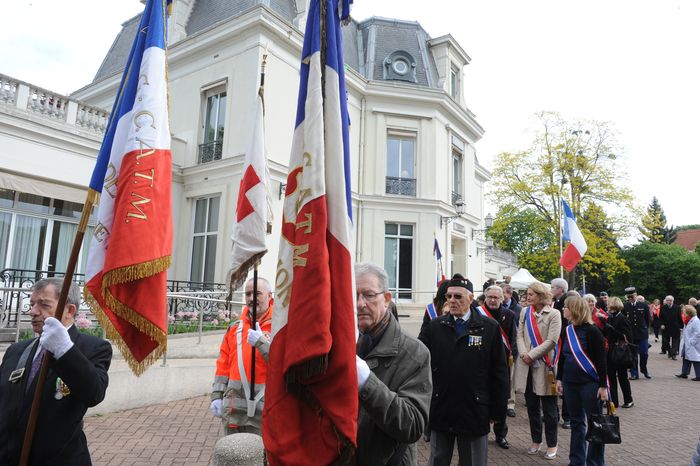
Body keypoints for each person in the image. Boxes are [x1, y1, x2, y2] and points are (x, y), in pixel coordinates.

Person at [0, 278, 112, 465]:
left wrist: (64, 350)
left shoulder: (91, 348)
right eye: (32, 304)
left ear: (69, 311)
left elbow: (94, 393)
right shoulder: (17, 350)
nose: (33, 311)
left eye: (43, 304)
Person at [419, 275, 509, 466]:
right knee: (437, 459)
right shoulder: (436, 326)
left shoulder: (489, 328)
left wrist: (497, 411)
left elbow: (499, 372)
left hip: (474, 410)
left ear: (471, 298)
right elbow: (418, 358)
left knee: (473, 461)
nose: (452, 300)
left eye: (458, 297)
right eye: (449, 296)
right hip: (441, 406)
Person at [355, 263, 432, 465]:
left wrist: (366, 382)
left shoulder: (415, 352)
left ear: (387, 299)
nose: (360, 303)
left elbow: (413, 425)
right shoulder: (349, 343)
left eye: (369, 295)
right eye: (354, 296)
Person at [210, 277, 273, 435]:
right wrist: (217, 396)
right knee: (233, 456)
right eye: (248, 294)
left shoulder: (280, 326)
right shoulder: (235, 328)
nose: (252, 298)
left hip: (265, 410)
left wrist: (262, 343)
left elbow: (282, 363)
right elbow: (223, 366)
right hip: (234, 410)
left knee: (261, 458)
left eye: (257, 293)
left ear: (270, 296)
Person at [556, 295, 608, 466]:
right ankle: (576, 461)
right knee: (577, 424)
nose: (563, 309)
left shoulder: (593, 331)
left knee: (595, 425)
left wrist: (603, 386)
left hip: (589, 384)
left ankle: (594, 462)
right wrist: (559, 379)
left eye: (565, 306)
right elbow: (563, 358)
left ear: (574, 310)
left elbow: (601, 361)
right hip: (570, 384)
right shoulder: (567, 330)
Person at [515, 281, 562, 460]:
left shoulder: (554, 314)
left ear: (541, 296)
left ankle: (552, 444)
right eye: (527, 294)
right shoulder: (525, 312)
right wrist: (523, 353)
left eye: (531, 294)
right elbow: (519, 334)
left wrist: (532, 354)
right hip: (526, 365)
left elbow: (552, 340)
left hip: (545, 365)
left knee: (549, 410)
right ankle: (536, 441)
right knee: (532, 407)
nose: (528, 297)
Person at [480, 285, 518, 447]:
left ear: (502, 299)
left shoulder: (509, 315)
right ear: (485, 297)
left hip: (501, 364)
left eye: (496, 298)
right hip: (481, 363)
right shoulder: (477, 313)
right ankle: (481, 432)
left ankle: (500, 434)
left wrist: (512, 357)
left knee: (502, 399)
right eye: (490, 297)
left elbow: (513, 339)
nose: (493, 300)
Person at [604, 297, 634, 408]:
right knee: (611, 377)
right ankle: (613, 401)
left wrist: (611, 328)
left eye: (609, 305)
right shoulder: (609, 317)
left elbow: (627, 336)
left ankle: (628, 400)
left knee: (622, 377)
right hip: (610, 350)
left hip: (619, 351)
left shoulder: (622, 318)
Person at [550, 278, 570, 429]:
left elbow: (567, 323)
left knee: (563, 379)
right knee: (556, 379)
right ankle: (555, 414)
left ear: (560, 289)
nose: (551, 289)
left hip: (564, 341)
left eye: (553, 287)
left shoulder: (567, 300)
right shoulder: (555, 302)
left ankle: (567, 417)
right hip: (557, 342)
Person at [621, 286, 651, 380]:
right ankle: (634, 373)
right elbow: (624, 320)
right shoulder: (625, 307)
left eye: (633, 296)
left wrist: (645, 329)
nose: (631, 298)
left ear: (636, 295)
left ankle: (644, 369)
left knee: (644, 353)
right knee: (633, 355)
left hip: (642, 334)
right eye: (629, 297)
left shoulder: (643, 305)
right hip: (631, 334)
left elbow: (647, 319)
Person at [676, 305, 700, 380]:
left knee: (696, 359)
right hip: (687, 342)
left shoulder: (695, 320)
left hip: (693, 343)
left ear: (688, 312)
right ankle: (684, 373)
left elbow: (698, 332)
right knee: (686, 357)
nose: (683, 313)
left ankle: (699, 376)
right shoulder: (687, 320)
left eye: (684, 312)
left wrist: (691, 341)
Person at [659, 295, 683, 360]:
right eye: (667, 300)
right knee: (665, 341)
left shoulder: (677, 307)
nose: (669, 302)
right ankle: (670, 351)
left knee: (675, 341)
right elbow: (660, 318)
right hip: (666, 327)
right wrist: (661, 324)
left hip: (675, 326)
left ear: (672, 301)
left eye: (670, 300)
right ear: (666, 301)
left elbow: (679, 317)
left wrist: (681, 326)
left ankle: (674, 354)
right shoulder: (663, 307)